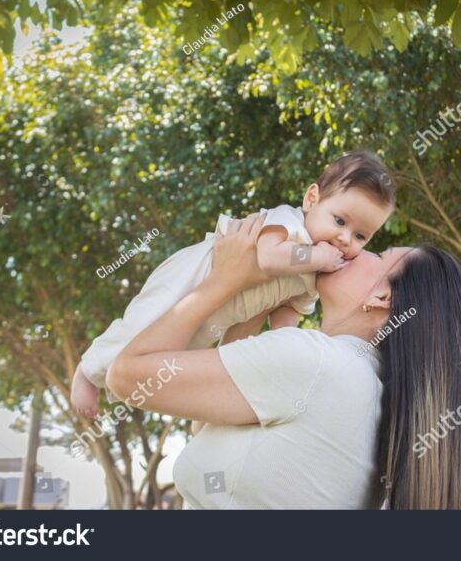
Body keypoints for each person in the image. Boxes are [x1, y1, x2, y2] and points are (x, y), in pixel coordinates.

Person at [106, 214, 461, 509]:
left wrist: (224, 282)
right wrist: (256, 301)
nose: (352, 247)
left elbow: (126, 376)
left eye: (378, 253)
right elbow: (209, 425)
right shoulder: (372, 393)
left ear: (382, 299)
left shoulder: (316, 362)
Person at [71, 150, 395, 418]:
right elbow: (268, 258)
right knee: (146, 320)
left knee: (176, 351)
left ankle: (117, 380)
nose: (344, 238)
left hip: (217, 311)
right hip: (197, 273)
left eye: (361, 236)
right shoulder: (289, 223)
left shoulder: (311, 283)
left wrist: (284, 342)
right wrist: (317, 258)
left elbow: (286, 319)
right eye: (339, 221)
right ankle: (89, 370)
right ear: (312, 198)